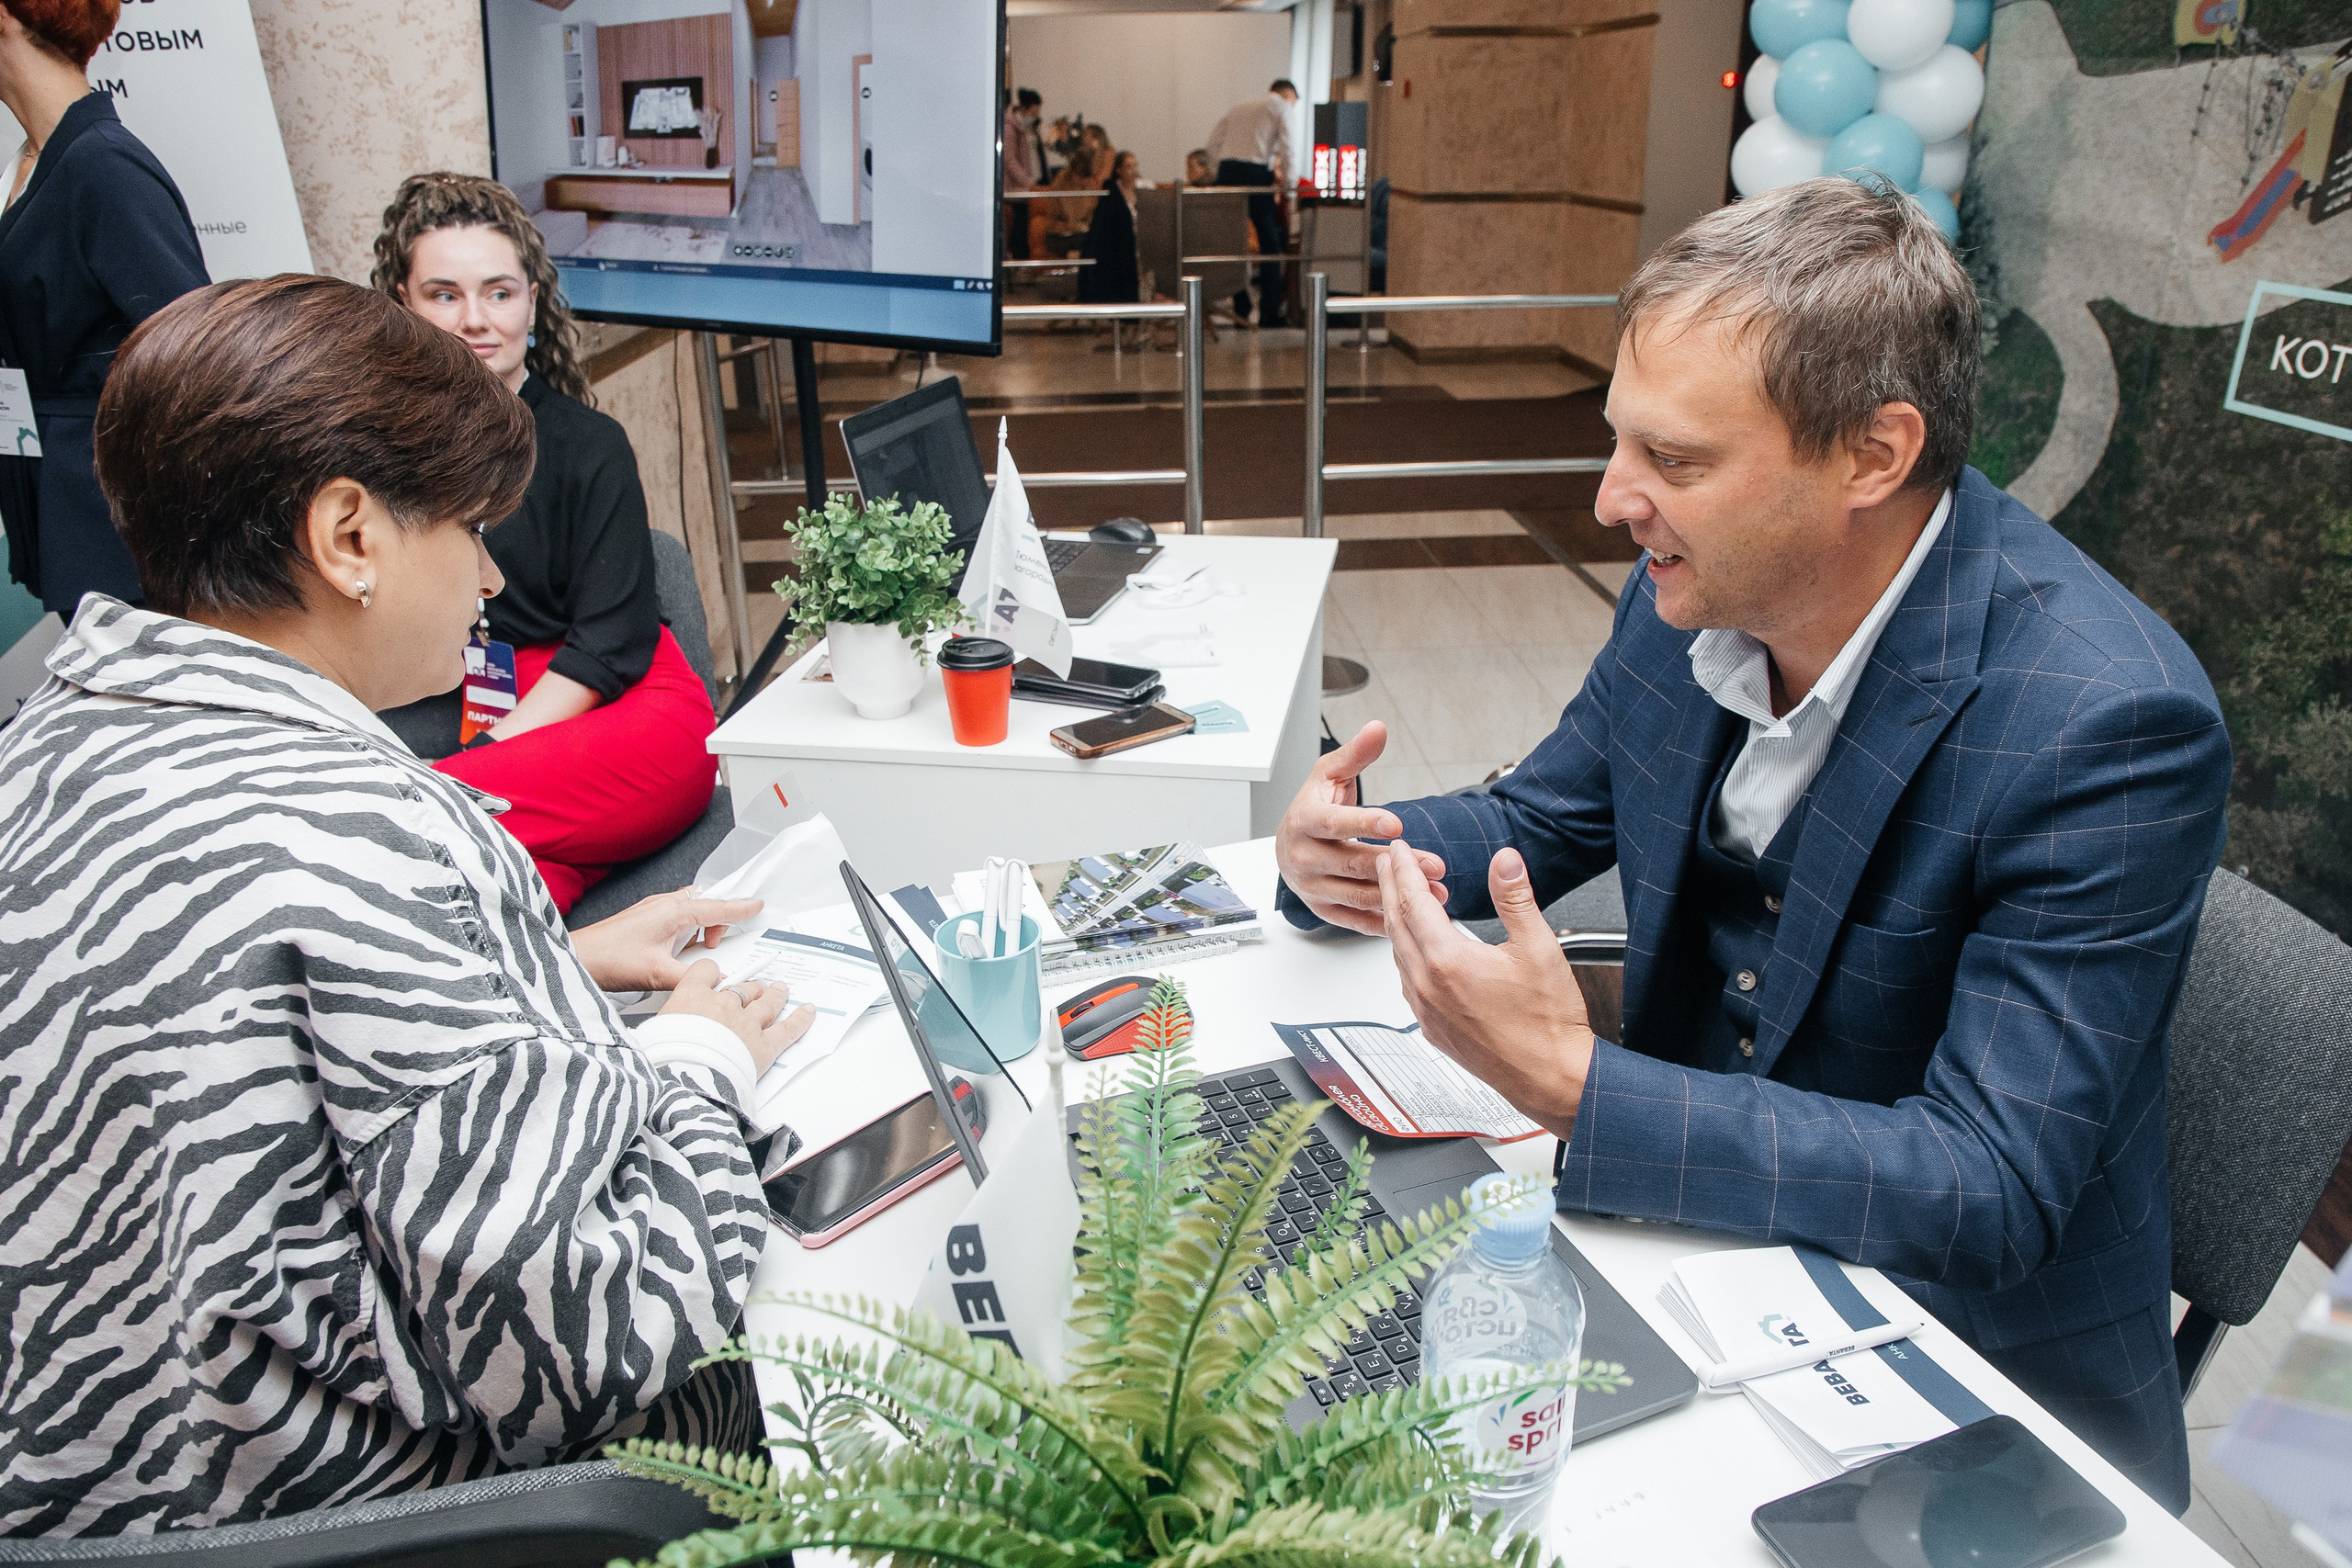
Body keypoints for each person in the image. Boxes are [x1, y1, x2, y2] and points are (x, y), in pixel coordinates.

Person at [1273, 178, 2232, 1514]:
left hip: (1968, 1388)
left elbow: (1992, 1185)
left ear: (1873, 456)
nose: (1614, 500)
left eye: (1674, 461)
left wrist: (1578, 1086)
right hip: (1702, 1264)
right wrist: (1347, 848)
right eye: (1621, 443)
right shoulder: (1692, 592)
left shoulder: (2106, 721)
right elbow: (1545, 818)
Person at [0, 273, 818, 1533]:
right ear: (348, 537)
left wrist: (543, 958)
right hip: (387, 1515)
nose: (491, 575)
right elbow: (599, 1337)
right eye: (471, 531)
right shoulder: (383, 828)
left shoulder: (45, 742)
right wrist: (704, 1062)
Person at [370, 173, 718, 916]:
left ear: (532, 301)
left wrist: (488, 757)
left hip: (629, 704)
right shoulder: (378, 461)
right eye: (444, 295)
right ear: (402, 302)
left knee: (417, 822)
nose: (476, 319)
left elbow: (610, 645)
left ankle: (413, 814)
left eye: (499, 292)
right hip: (500, 698)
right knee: (486, 895)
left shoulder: (590, 445)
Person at [0, 0, 208, 619]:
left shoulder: (103, 166)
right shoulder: (36, 160)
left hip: (122, 535)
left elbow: (200, 354)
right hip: (66, 505)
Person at [1204, 78, 1298, 326]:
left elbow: (1212, 146)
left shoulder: (1240, 107)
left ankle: (1241, 309)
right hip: (1255, 173)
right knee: (1269, 242)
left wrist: (1221, 173)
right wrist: (1289, 186)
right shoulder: (1281, 107)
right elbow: (1289, 148)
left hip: (1227, 171)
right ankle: (1269, 312)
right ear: (1288, 95)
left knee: (1232, 242)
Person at [1079, 150, 1141, 305]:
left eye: (1135, 166)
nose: (1133, 171)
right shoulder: (1112, 193)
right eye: (1129, 167)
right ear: (1119, 170)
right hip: (1122, 240)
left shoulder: (1144, 189)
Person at [1001, 87, 1043, 260]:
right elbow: (1009, 160)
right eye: (1034, 110)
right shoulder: (1010, 128)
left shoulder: (1029, 127)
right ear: (1025, 108)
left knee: (1028, 224)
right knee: (1021, 226)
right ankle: (1021, 261)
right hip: (1017, 188)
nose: (1036, 114)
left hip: (1031, 184)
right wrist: (1027, 181)